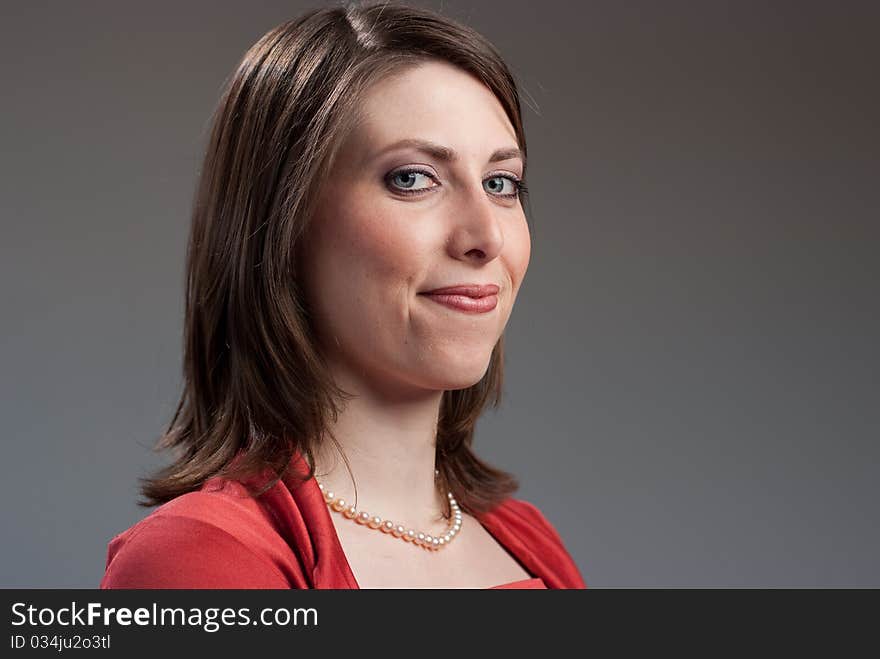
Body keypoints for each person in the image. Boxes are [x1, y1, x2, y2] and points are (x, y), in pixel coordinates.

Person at [100, 1, 586, 589]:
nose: (486, 237)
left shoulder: (529, 541)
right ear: (285, 222)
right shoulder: (199, 560)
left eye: (500, 183)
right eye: (412, 178)